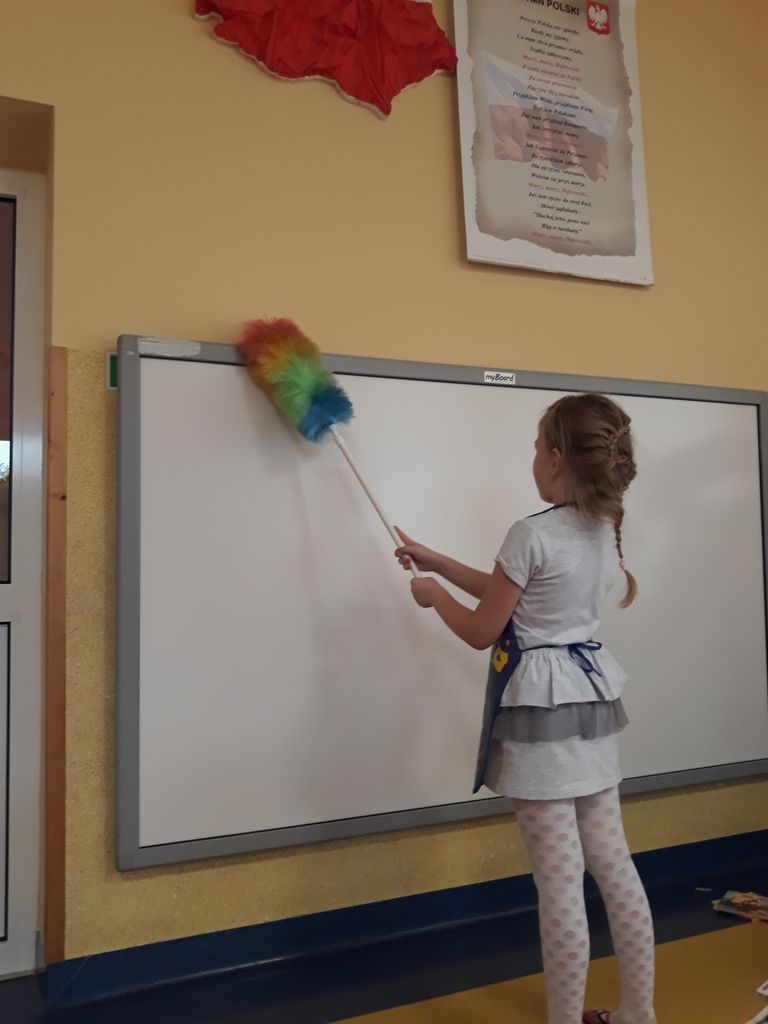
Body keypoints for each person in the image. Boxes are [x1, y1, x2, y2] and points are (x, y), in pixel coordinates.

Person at [394, 393, 655, 1024]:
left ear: (558, 458)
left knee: (559, 881)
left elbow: (483, 629)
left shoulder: (531, 533)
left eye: (538, 447)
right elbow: (515, 593)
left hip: (539, 717)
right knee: (614, 865)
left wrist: (432, 597)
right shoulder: (601, 526)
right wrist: (441, 563)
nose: (533, 457)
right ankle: (638, 1014)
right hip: (589, 705)